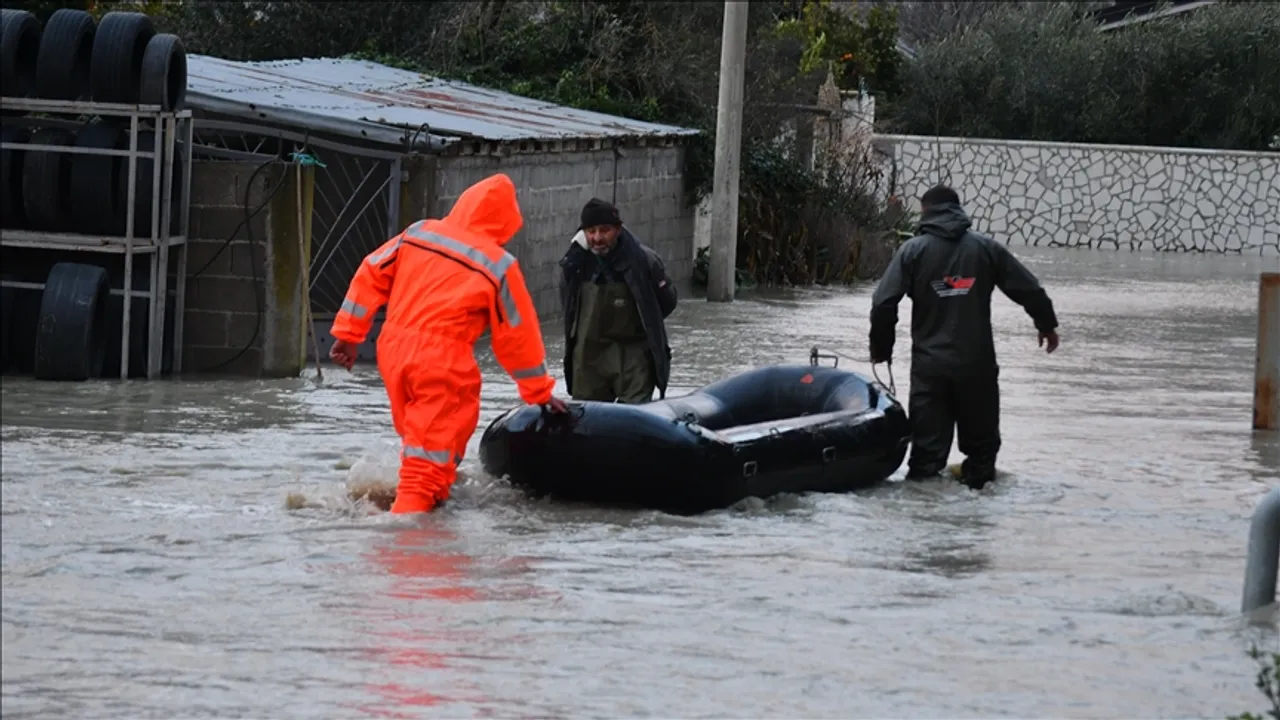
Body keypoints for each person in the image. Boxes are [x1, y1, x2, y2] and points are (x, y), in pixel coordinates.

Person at [328, 173, 569, 515]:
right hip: (440, 358)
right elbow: (518, 335)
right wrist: (538, 393)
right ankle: (408, 544)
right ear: (507, 221)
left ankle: (428, 509)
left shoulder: (419, 233)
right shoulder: (497, 265)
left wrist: (349, 335)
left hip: (394, 349)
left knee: (423, 444)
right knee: (428, 460)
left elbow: (371, 272)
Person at [868, 185, 1060, 490]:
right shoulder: (986, 248)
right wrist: (1046, 324)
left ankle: (926, 522)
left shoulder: (913, 251)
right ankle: (974, 530)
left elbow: (883, 303)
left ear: (925, 212)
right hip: (977, 367)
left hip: (930, 370)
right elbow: (1029, 289)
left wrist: (881, 349)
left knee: (926, 462)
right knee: (982, 460)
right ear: (958, 210)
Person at [558, 198, 678, 403]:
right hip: (589, 357)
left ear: (618, 229)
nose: (597, 238)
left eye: (604, 230)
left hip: (634, 358)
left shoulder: (644, 261)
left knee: (635, 421)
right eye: (591, 231)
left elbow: (667, 302)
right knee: (589, 423)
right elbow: (567, 307)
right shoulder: (573, 265)